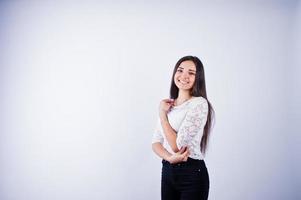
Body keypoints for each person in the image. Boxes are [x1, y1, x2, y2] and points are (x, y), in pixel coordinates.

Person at [152, 55, 215, 200]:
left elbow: (177, 146)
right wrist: (169, 158)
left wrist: (162, 115)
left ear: (198, 78)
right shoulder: (169, 106)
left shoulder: (199, 104)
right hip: (167, 171)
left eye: (191, 73)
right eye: (180, 70)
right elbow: (155, 142)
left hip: (192, 174)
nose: (184, 76)